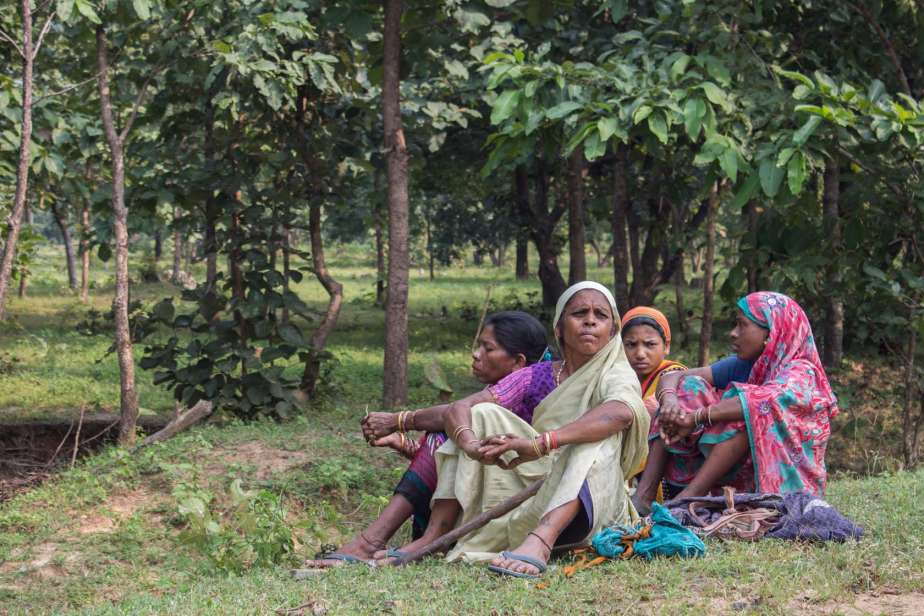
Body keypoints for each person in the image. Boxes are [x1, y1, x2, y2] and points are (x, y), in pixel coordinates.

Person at [376, 281, 648, 579]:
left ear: (612, 331)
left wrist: (541, 443)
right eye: (579, 313)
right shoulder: (537, 374)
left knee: (590, 439)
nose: (590, 321)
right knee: (480, 413)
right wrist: (469, 445)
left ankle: (541, 541)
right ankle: (435, 535)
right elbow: (461, 409)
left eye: (601, 315)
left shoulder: (617, 373)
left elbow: (621, 412)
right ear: (559, 328)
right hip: (535, 482)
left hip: (594, 496)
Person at [303, 311, 548, 567]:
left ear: (518, 362)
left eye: (488, 348)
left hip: (524, 497)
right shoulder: (505, 390)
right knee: (448, 431)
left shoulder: (527, 385)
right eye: (478, 346)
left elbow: (455, 418)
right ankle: (392, 539)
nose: (476, 354)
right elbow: (466, 460)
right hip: (502, 488)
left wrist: (398, 420)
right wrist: (408, 447)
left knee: (450, 428)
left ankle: (385, 541)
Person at [634, 292, 838, 514]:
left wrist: (697, 417)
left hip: (780, 482)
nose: (733, 333)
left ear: (771, 333)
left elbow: (762, 401)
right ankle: (644, 495)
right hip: (732, 471)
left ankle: (690, 499)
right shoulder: (746, 364)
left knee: (750, 411)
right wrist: (671, 402)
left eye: (742, 326)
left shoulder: (801, 371)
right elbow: (672, 377)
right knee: (689, 387)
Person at [621, 307, 686, 501]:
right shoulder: (622, 377)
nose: (640, 353)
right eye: (631, 345)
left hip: (670, 476)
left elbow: (641, 413)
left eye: (650, 344)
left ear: (666, 346)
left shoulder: (674, 375)